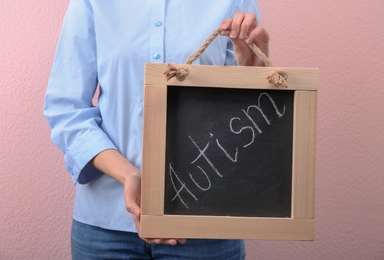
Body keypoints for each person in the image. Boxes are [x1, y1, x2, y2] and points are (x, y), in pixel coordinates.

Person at [44, 0, 269, 259]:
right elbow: (66, 109)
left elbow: (245, 126)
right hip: (106, 228)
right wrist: (129, 175)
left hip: (205, 224)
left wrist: (254, 72)